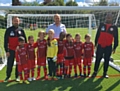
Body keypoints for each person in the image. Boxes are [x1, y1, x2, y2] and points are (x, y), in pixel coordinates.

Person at [92, 13, 118, 78]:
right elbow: (97, 34)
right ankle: (95, 72)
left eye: (110, 17)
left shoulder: (114, 27)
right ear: (105, 17)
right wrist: (96, 43)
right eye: (107, 17)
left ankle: (105, 73)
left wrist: (114, 47)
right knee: (98, 59)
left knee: (107, 59)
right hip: (100, 45)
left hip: (108, 46)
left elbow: (116, 38)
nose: (108, 18)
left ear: (112, 18)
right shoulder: (101, 25)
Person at [4, 16, 27, 82]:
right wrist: (7, 51)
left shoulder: (21, 30)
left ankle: (17, 76)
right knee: (9, 64)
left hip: (19, 51)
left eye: (17, 21)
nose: (16, 22)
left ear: (19, 22)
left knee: (18, 64)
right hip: (11, 50)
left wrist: (24, 49)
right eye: (15, 21)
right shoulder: (8, 30)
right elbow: (6, 41)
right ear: (12, 21)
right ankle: (8, 76)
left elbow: (24, 40)